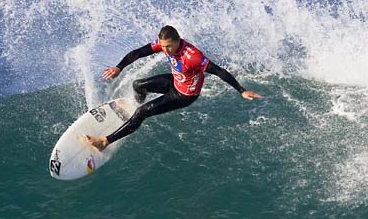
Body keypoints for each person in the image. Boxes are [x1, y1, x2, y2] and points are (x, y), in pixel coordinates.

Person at [85, 25, 262, 151]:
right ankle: (131, 110)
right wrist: (119, 67)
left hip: (184, 95)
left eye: (169, 46)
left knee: (142, 112)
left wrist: (241, 90)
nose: (166, 50)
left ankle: (105, 141)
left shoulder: (192, 56)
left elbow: (218, 71)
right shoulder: (164, 45)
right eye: (163, 47)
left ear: (178, 41)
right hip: (175, 81)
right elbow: (139, 52)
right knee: (138, 85)